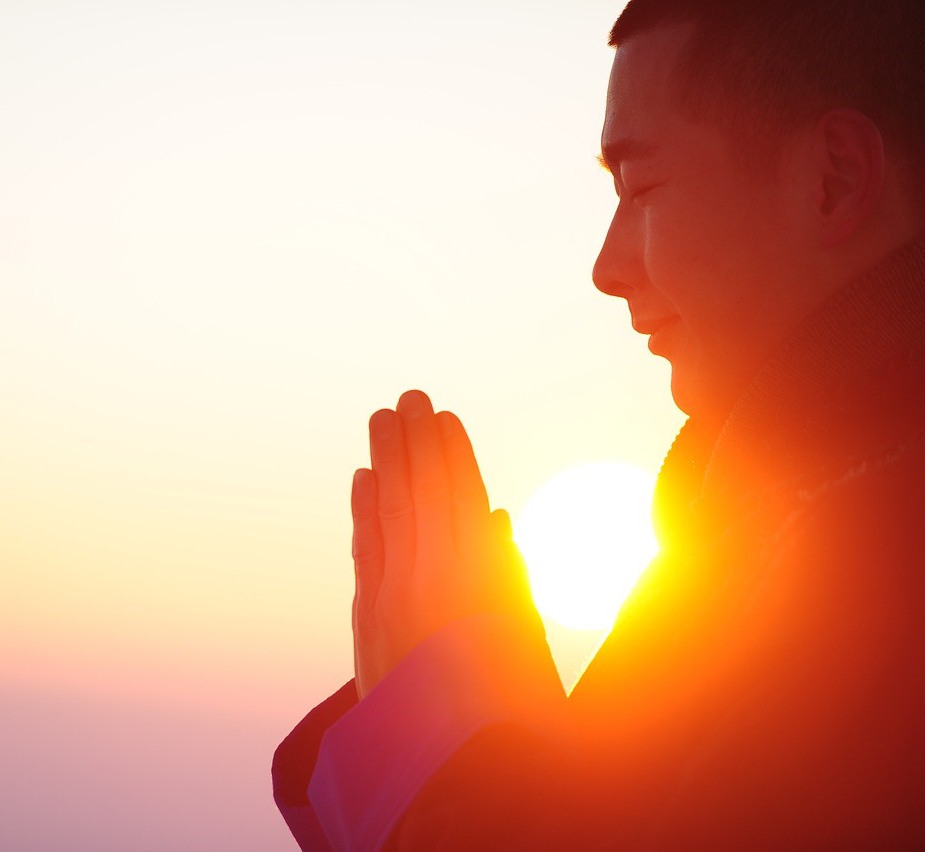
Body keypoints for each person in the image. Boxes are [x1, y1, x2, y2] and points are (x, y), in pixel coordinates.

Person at [272, 0, 925, 848]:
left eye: (642, 187)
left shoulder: (871, 579)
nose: (607, 269)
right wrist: (507, 731)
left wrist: (427, 745)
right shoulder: (748, 547)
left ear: (834, 178)